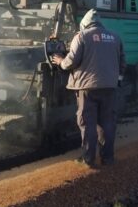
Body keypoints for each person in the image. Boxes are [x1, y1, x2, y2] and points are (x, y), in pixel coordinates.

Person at [52, 9, 125, 167]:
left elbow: (71, 62)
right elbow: (122, 62)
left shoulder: (82, 36)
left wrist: (60, 61)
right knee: (107, 123)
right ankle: (108, 158)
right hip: (110, 88)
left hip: (87, 88)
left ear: (84, 24)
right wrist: (116, 80)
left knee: (87, 123)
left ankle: (88, 159)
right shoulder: (115, 37)